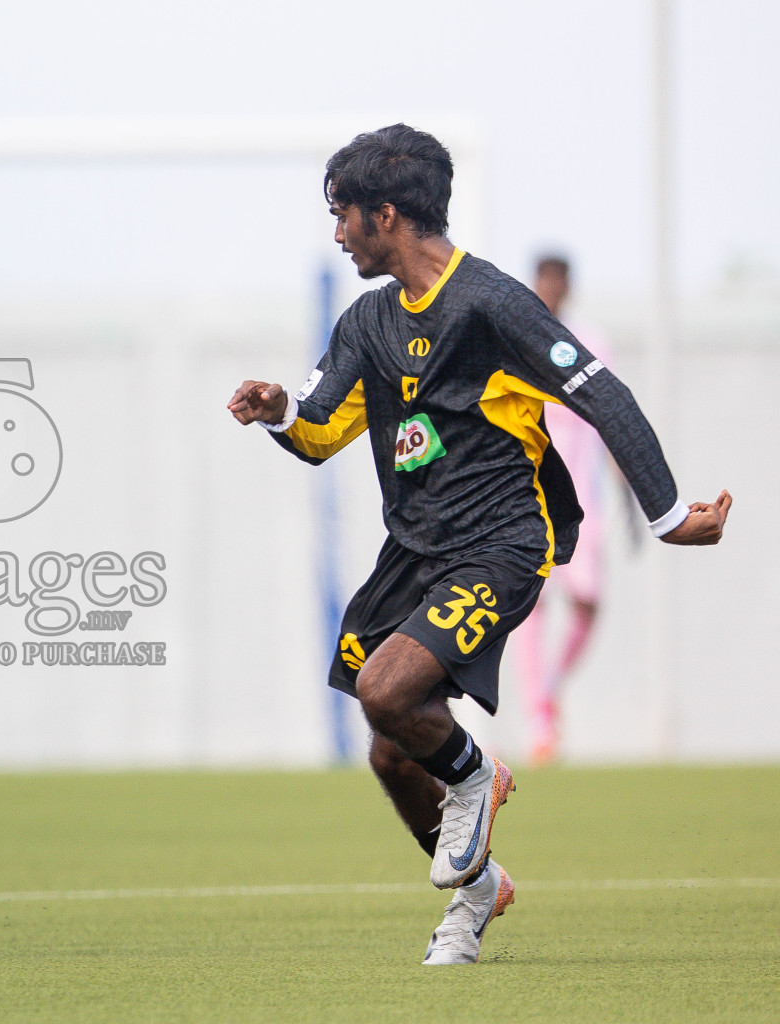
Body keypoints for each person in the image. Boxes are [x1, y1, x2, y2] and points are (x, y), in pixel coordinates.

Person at [227, 124, 730, 966]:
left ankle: (475, 776)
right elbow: (318, 433)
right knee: (391, 750)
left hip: (502, 544)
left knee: (387, 691)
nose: (338, 232)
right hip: (413, 554)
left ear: (387, 214)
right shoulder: (367, 322)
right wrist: (280, 411)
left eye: (343, 214)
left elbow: (602, 395)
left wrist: (669, 515)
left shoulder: (492, 304)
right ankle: (477, 894)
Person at [511, 255, 619, 763]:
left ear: (569, 287)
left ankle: (548, 694)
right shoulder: (517, 339)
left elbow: (614, 418)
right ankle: (539, 718)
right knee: (531, 605)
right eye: (543, 281)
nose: (550, 289)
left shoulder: (590, 342)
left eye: (558, 282)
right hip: (527, 499)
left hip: (582, 501)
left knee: (588, 601)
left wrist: (630, 485)